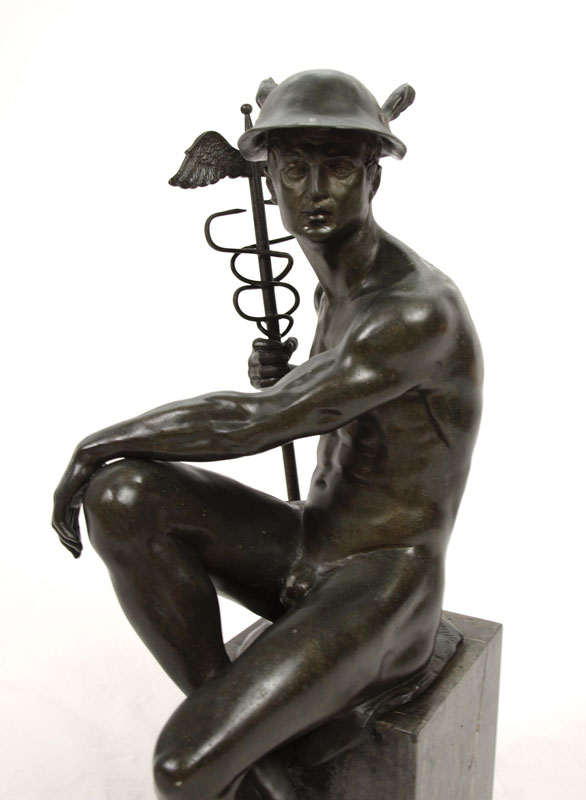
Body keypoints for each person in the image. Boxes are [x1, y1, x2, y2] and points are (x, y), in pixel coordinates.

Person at [52, 70, 483, 800]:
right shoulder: (332, 289)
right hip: (312, 541)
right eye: (293, 168)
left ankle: (232, 750)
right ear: (268, 175)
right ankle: (249, 745)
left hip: (384, 579)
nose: (314, 191)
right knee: (122, 495)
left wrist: (95, 442)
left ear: (374, 177)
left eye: (338, 167)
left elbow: (256, 421)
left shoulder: (414, 311)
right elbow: (330, 406)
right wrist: (292, 379)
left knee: (181, 769)